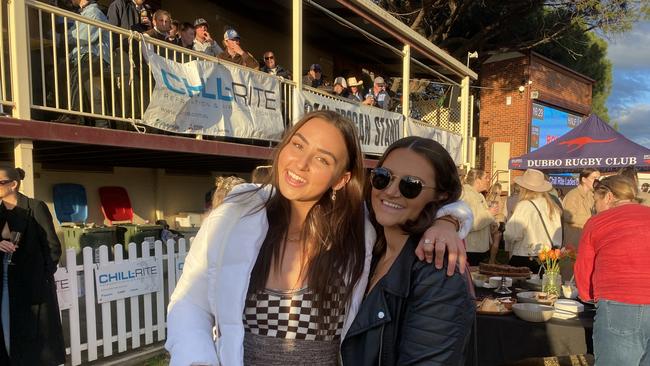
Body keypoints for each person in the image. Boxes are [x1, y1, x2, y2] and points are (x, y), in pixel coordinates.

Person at [165, 111, 472, 365]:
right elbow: (189, 303)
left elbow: (416, 204)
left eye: (323, 159)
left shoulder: (357, 228)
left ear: (342, 178)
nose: (301, 164)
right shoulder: (234, 217)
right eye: (297, 145)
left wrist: (448, 220)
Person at [340, 137, 475, 365]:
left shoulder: (439, 271)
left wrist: (449, 220)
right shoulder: (369, 247)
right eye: (383, 177)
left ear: (440, 195)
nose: (391, 191)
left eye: (410, 185)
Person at [574, 175, 650, 366]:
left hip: (619, 305)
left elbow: (584, 272)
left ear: (608, 196)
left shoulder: (598, 222)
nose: (595, 206)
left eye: (596, 200)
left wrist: (588, 297)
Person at [0, 166, 65, 365]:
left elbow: (52, 246)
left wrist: (43, 276)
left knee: (36, 338)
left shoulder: (35, 207)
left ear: (13, 184)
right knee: (8, 330)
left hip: (33, 283)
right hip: (5, 282)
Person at [55, 0, 111, 123]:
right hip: (85, 55)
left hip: (95, 55)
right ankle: (75, 115)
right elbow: (75, 35)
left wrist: (60, 38)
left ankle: (73, 115)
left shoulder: (94, 12)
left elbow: (84, 37)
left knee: (75, 75)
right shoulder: (84, 13)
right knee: (59, 72)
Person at [505, 169, 562, 273]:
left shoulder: (524, 206)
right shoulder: (553, 207)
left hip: (526, 256)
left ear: (524, 188)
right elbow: (558, 237)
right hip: (549, 259)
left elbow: (512, 234)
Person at [461, 168, 496, 265]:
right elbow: (469, 223)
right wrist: (490, 214)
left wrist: (491, 224)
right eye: (486, 178)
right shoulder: (467, 195)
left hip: (478, 248)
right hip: (471, 249)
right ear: (477, 180)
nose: (488, 180)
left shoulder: (478, 195)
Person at [562, 168, 599, 248]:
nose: (597, 181)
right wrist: (591, 219)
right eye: (594, 178)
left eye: (598, 178)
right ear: (584, 179)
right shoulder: (573, 195)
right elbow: (567, 217)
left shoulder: (592, 196)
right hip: (574, 242)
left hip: (586, 240)